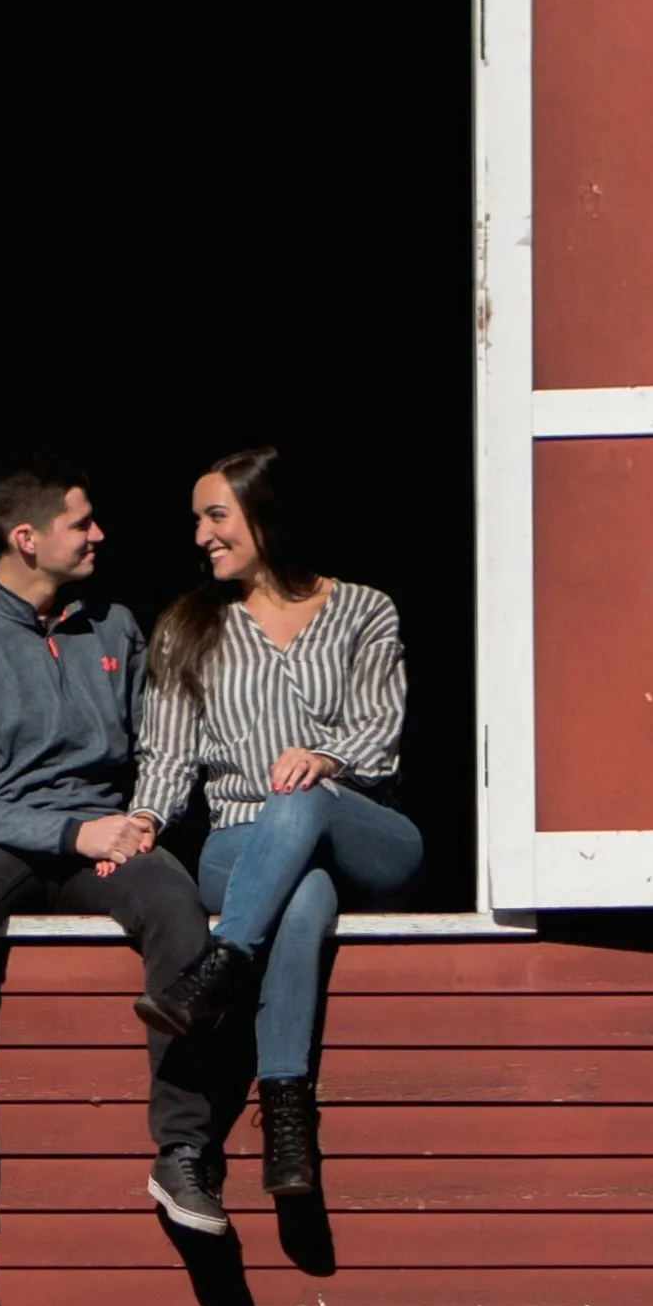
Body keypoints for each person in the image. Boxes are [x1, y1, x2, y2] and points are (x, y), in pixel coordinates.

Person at [0, 466, 238, 1237]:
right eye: (80, 524)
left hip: (105, 841)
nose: (98, 535)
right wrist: (68, 833)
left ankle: (184, 1149)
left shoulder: (114, 626)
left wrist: (141, 819)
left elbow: (158, 742)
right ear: (27, 539)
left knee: (173, 895)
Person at [127, 444, 418, 1202]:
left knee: (300, 801)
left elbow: (380, 737)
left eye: (216, 516)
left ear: (265, 514)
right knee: (305, 893)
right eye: (196, 521)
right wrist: (142, 821)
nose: (201, 536)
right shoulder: (185, 627)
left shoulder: (365, 608)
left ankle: (220, 966)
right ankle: (288, 1115)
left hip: (359, 822)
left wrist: (322, 760)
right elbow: (167, 755)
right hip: (239, 843)